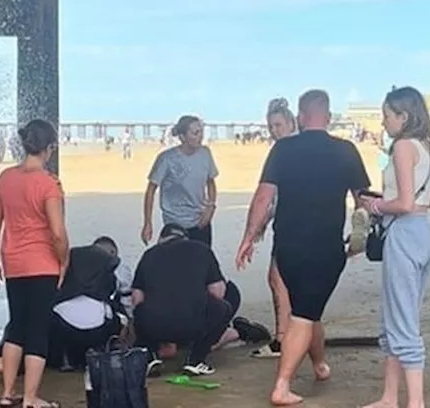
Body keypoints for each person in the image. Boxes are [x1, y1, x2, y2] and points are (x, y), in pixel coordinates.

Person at [235, 89, 372, 406]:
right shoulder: (346, 150)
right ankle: (281, 386)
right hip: (325, 248)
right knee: (305, 313)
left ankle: (320, 364)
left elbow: (262, 197)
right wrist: (361, 235)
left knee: (307, 308)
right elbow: (363, 201)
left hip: (287, 248)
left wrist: (248, 237)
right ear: (328, 116)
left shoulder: (283, 150)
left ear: (300, 116)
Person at [357, 87, 430, 408]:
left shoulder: (404, 146)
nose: (384, 123)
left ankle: (414, 402)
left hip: (404, 234)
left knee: (402, 321)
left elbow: (405, 203)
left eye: (386, 117)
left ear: (403, 117)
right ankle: (390, 397)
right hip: (423, 233)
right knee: (398, 316)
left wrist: (376, 205)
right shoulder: (429, 146)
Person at [0, 118, 69, 408]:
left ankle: (7, 393)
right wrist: (64, 261)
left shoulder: (6, 178)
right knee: (38, 330)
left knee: (17, 326)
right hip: (43, 263)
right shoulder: (48, 184)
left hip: (13, 263)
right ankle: (31, 397)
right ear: (49, 148)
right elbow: (57, 233)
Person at [131, 223, 242, 376]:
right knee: (223, 308)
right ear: (185, 237)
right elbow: (218, 292)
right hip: (192, 325)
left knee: (140, 312)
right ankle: (196, 360)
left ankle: (150, 356)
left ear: (161, 239)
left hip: (155, 327)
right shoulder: (202, 249)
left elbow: (137, 299)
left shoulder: (149, 254)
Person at [253, 98, 299, 360]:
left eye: (278, 125)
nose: (274, 131)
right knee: (285, 281)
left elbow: (270, 194)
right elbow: (279, 196)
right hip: (287, 222)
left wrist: (256, 225)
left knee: (277, 278)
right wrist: (265, 219)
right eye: (271, 126)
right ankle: (290, 335)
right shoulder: (290, 149)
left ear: (291, 122)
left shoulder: (286, 151)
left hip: (290, 227)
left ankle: (282, 339)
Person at [50, 237, 128, 371]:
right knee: (115, 316)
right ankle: (101, 353)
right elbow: (114, 294)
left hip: (65, 329)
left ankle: (65, 360)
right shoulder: (108, 272)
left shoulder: (68, 271)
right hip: (97, 330)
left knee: (53, 314)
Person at [142, 115, 220, 246]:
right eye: (195, 133)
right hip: (174, 224)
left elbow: (211, 182)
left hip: (201, 222)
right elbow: (151, 190)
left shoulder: (205, 153)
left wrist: (211, 207)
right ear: (183, 137)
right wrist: (147, 223)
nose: (200, 136)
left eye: (201, 131)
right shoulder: (166, 159)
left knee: (202, 262)